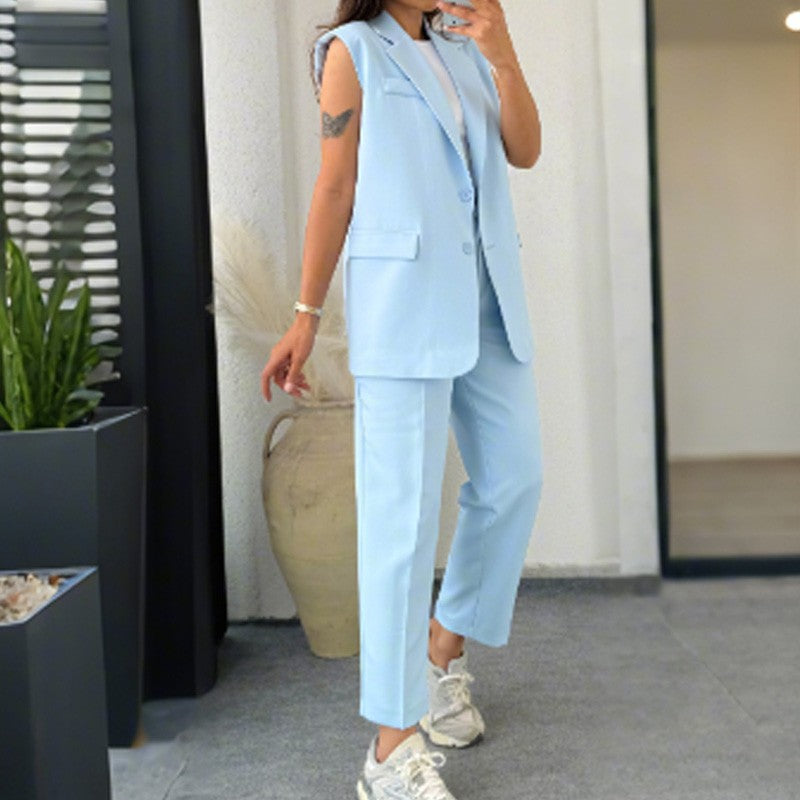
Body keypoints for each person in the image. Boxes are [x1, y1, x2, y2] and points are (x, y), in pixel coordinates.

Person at [261, 1, 543, 797]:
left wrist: (503, 51)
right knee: (400, 523)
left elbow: (525, 150)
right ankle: (390, 746)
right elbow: (335, 186)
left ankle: (440, 651)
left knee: (515, 478)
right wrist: (306, 315)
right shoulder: (352, 51)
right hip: (405, 305)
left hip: (487, 299)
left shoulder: (468, 45)